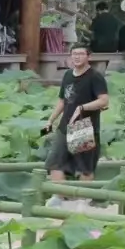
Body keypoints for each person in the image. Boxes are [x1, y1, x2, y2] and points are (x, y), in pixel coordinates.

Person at [45, 45, 110, 182]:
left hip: (83, 127)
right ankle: (62, 198)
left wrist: (82, 108)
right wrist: (50, 120)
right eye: (74, 54)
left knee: (84, 169)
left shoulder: (95, 77)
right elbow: (62, 101)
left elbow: (104, 101)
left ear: (89, 57)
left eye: (81, 54)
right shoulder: (68, 75)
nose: (77, 56)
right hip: (65, 126)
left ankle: (82, 200)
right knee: (54, 164)